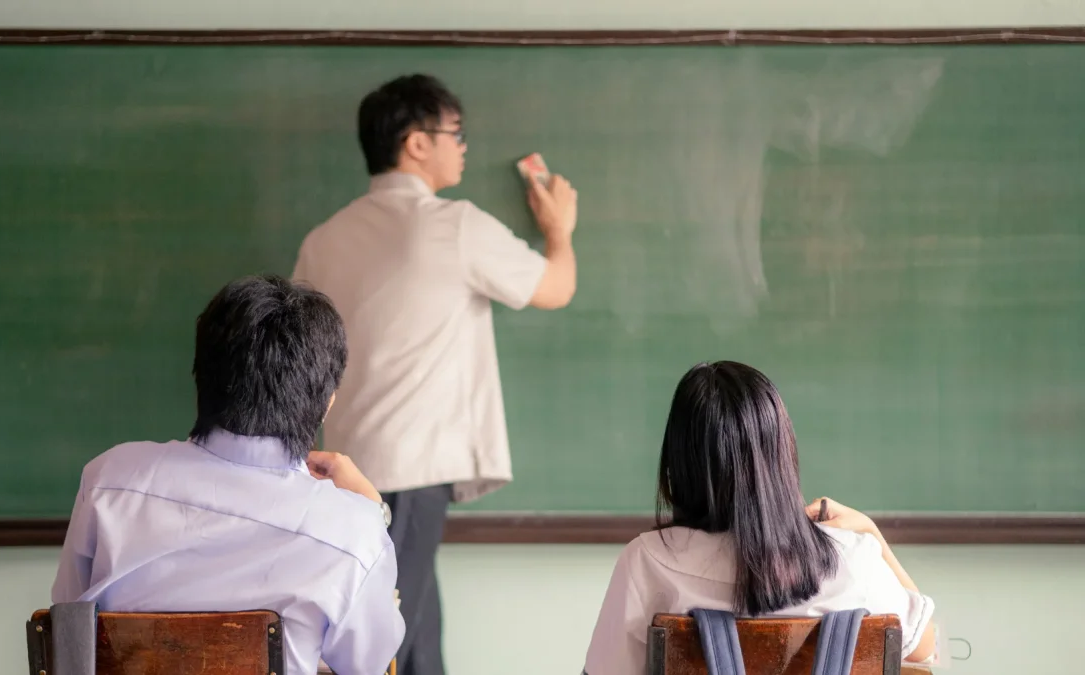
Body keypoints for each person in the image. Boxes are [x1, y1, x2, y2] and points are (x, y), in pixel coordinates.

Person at [291, 73, 579, 675]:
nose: (464, 146)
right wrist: (559, 231)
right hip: (413, 471)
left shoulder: (322, 241)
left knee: (415, 630)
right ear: (416, 142)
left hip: (344, 471)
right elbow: (556, 287)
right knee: (384, 639)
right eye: (456, 133)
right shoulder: (453, 225)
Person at [51, 275, 404, 675]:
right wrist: (374, 514)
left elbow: (68, 635)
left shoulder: (107, 482)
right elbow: (369, 664)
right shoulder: (352, 531)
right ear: (326, 404)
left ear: (201, 374)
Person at [583, 361, 937, 674]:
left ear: (680, 463)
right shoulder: (853, 558)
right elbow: (925, 650)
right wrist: (873, 535)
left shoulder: (647, 562)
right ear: (781, 454)